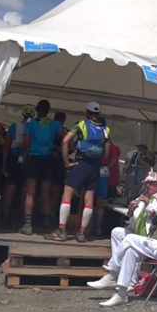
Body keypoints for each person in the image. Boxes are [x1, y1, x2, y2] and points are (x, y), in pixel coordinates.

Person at [91, 176, 157, 307]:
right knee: (130, 250)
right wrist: (155, 214)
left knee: (129, 239)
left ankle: (113, 273)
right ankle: (121, 293)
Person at [45, 102, 107, 242]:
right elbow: (107, 151)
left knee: (67, 194)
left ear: (87, 112)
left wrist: (67, 161)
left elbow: (65, 141)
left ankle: (62, 230)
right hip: (95, 166)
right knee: (89, 199)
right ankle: (82, 233)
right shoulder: (105, 129)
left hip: (81, 162)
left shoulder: (81, 124)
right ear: (98, 114)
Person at [18, 99, 64, 235]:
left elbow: (26, 143)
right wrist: (58, 151)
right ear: (48, 111)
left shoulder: (30, 124)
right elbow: (66, 139)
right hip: (48, 160)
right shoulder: (54, 124)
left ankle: (27, 225)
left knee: (30, 193)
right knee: (46, 193)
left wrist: (24, 159)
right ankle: (47, 224)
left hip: (34, 159)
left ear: (37, 109)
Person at [0, 105, 35, 229]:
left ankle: (5, 217)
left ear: (23, 115)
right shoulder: (35, 126)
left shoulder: (14, 126)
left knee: (11, 188)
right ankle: (21, 218)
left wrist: (4, 164)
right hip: (30, 159)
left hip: (15, 158)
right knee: (26, 191)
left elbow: (6, 146)